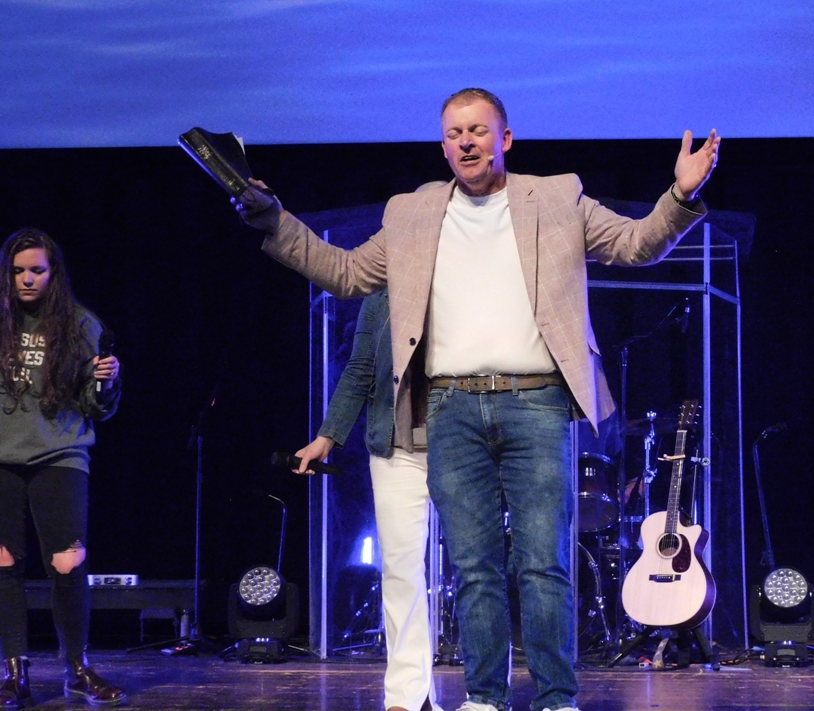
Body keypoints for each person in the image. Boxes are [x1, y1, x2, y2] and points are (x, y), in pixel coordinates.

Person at [233, 88, 719, 711]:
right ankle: (484, 698)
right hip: (451, 407)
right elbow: (347, 273)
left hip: (536, 402)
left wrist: (680, 195)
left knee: (543, 562)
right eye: (454, 133)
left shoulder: (557, 198)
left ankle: (555, 699)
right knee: (474, 566)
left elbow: (635, 244)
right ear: (443, 146)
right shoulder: (412, 213)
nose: (466, 142)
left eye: (478, 130)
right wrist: (273, 220)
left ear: (505, 139)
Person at [294, 287, 440, 711]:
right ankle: (407, 698)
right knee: (400, 570)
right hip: (396, 443)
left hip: (463, 442)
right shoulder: (383, 297)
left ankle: (484, 696)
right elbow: (360, 368)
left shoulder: (466, 276)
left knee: (477, 571)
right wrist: (327, 436)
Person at [0, 228, 126, 708]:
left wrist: (107, 382)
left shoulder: (80, 325)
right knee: (4, 563)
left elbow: (95, 407)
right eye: (18, 271)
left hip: (60, 453)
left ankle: (77, 666)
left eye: (37, 270)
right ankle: (14, 672)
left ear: (54, 273)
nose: (27, 279)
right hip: (2, 458)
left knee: (67, 562)